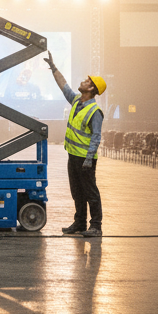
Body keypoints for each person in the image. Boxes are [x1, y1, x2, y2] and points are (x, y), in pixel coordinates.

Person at [44, 52, 106, 237]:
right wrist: (54, 69)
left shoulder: (95, 111)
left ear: (92, 89)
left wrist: (88, 159)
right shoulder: (77, 101)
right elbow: (64, 86)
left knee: (91, 193)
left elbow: (96, 136)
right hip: (73, 156)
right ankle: (79, 223)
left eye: (87, 82)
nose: (83, 82)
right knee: (77, 193)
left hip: (85, 160)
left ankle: (96, 227)